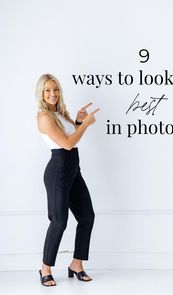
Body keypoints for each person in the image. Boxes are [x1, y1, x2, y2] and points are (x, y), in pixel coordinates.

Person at [36, 73, 100, 287]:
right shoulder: (44, 117)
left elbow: (72, 133)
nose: (52, 94)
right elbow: (68, 144)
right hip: (58, 171)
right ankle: (45, 268)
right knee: (59, 221)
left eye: (55, 89)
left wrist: (79, 120)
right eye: (47, 90)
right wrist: (86, 125)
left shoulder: (61, 114)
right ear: (41, 94)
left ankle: (77, 264)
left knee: (87, 216)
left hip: (73, 169)